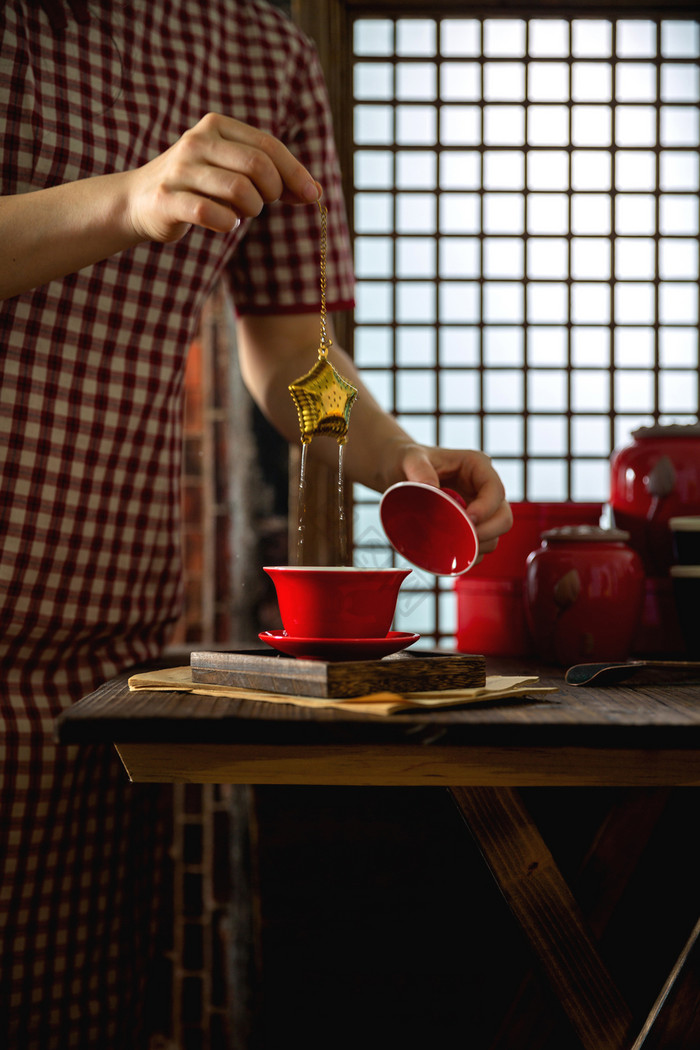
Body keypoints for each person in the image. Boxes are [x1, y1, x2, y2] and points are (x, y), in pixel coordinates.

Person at [0, 1, 512, 1046]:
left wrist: (398, 460)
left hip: (94, 648)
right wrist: (126, 199)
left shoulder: (256, 49)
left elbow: (293, 360)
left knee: (62, 1015)